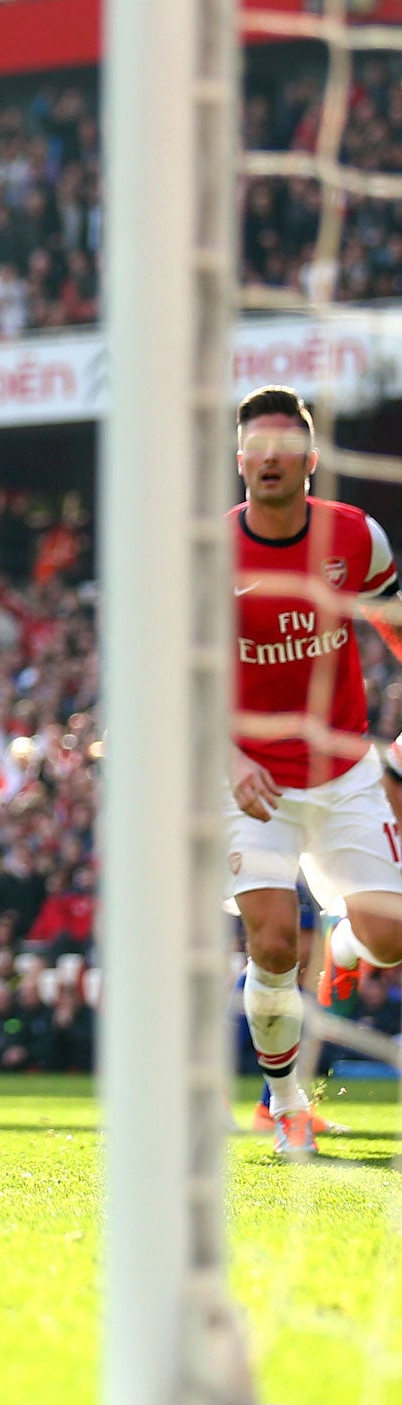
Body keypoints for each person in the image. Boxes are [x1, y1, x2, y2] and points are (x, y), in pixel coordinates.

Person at [225, 384, 402, 1157]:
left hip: (342, 771)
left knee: (391, 939)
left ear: (311, 461)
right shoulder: (206, 552)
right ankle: (286, 1102)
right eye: (257, 449)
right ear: (240, 463)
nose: (270, 459)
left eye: (285, 448)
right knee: (269, 942)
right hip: (249, 779)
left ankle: (348, 945)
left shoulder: (355, 537)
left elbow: (394, 620)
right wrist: (227, 760)